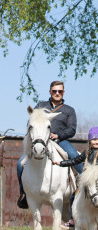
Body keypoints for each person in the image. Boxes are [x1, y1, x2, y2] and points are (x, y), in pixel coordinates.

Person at [17, 80, 83, 209]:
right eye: (54, 91)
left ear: (63, 92)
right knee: (20, 164)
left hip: (60, 140)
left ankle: (83, 188)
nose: (57, 93)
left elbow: (72, 129)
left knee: (73, 155)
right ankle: (23, 193)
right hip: (39, 141)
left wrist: (58, 135)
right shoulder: (41, 106)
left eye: (60, 91)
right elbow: (30, 123)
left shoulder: (69, 110)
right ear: (50, 92)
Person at [53, 126, 98, 229]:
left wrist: (94, 175)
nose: (97, 142)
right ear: (90, 141)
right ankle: (72, 220)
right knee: (73, 196)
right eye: (94, 139)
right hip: (88, 180)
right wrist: (61, 163)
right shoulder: (86, 153)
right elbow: (75, 161)